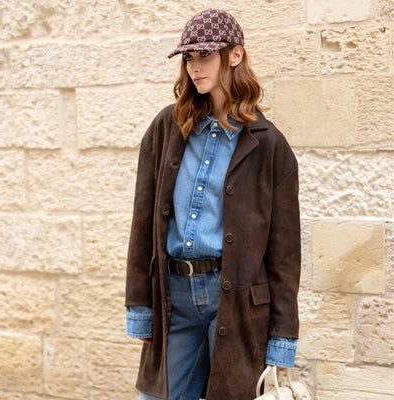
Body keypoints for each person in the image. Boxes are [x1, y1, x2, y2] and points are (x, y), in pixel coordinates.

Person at [125, 8, 301, 400]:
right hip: (174, 297)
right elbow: (143, 222)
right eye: (189, 57)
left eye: (204, 55)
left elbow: (285, 255)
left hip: (237, 302)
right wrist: (140, 307)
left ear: (234, 55)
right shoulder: (166, 129)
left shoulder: (269, 145)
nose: (194, 66)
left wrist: (282, 340)